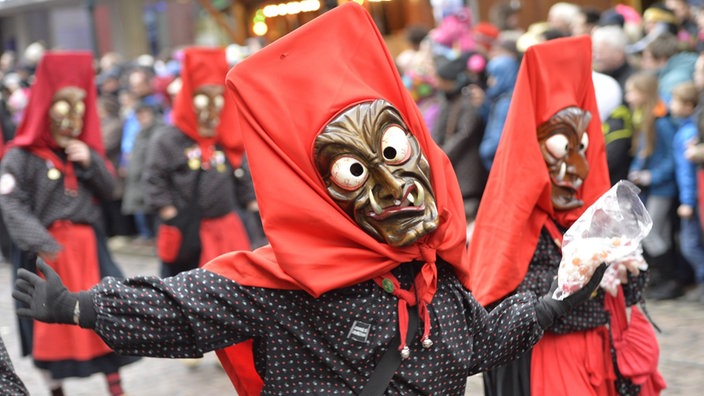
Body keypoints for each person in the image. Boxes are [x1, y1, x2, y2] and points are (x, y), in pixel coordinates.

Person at [12, 4, 606, 395]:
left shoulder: (433, 278)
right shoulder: (287, 286)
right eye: (355, 170)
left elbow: (477, 343)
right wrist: (82, 309)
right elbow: (187, 311)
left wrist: (552, 301)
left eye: (397, 155)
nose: (396, 187)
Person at [467, 35, 660, 395]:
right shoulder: (513, 217)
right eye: (560, 150)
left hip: (598, 348)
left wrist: (627, 270)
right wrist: (576, 277)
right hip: (548, 357)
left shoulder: (589, 209)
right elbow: (498, 304)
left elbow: (627, 295)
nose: (576, 167)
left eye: (581, 148)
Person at [0, 51, 137, 396]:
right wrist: (40, 240)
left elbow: (109, 190)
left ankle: (115, 386)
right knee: (43, 323)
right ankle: (56, 390)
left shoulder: (82, 149)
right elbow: (11, 202)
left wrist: (91, 161)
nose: (72, 119)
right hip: (42, 252)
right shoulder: (21, 156)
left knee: (106, 312)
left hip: (89, 247)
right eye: (64, 108)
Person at [143, 46, 253, 278]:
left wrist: (252, 204)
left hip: (227, 228)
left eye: (218, 99)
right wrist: (171, 215)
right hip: (190, 230)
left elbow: (240, 171)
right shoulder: (169, 138)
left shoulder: (226, 135)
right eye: (204, 98)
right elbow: (154, 179)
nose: (211, 108)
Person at [625, 71, 681, 300]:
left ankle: (672, 279)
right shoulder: (643, 117)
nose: (628, 97)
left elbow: (671, 158)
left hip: (662, 187)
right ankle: (663, 277)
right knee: (658, 233)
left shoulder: (661, 122)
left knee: (651, 233)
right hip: (652, 187)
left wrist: (651, 176)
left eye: (632, 92)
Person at [431, 52, 487, 237]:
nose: (437, 84)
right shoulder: (447, 100)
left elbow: (465, 133)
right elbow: (438, 129)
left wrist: (443, 153)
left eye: (440, 80)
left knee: (468, 211)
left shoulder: (467, 101)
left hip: (467, 166)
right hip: (450, 160)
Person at [670, 82, 704, 303]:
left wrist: (687, 201)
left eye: (675, 101)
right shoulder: (685, 130)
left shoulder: (688, 134)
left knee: (691, 245)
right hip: (689, 196)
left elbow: (687, 173)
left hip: (691, 198)